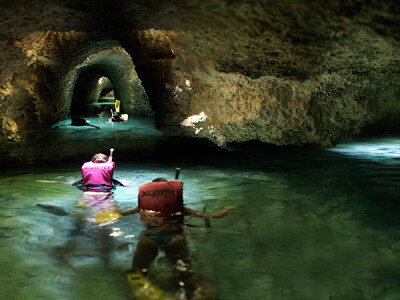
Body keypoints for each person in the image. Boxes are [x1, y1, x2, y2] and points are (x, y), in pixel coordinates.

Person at [116, 177, 237, 299]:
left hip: (149, 238)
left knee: (138, 270)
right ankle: (200, 289)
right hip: (175, 238)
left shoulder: (141, 207)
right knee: (185, 273)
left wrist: (112, 210)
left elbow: (121, 214)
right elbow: (212, 216)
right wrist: (225, 210)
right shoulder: (180, 208)